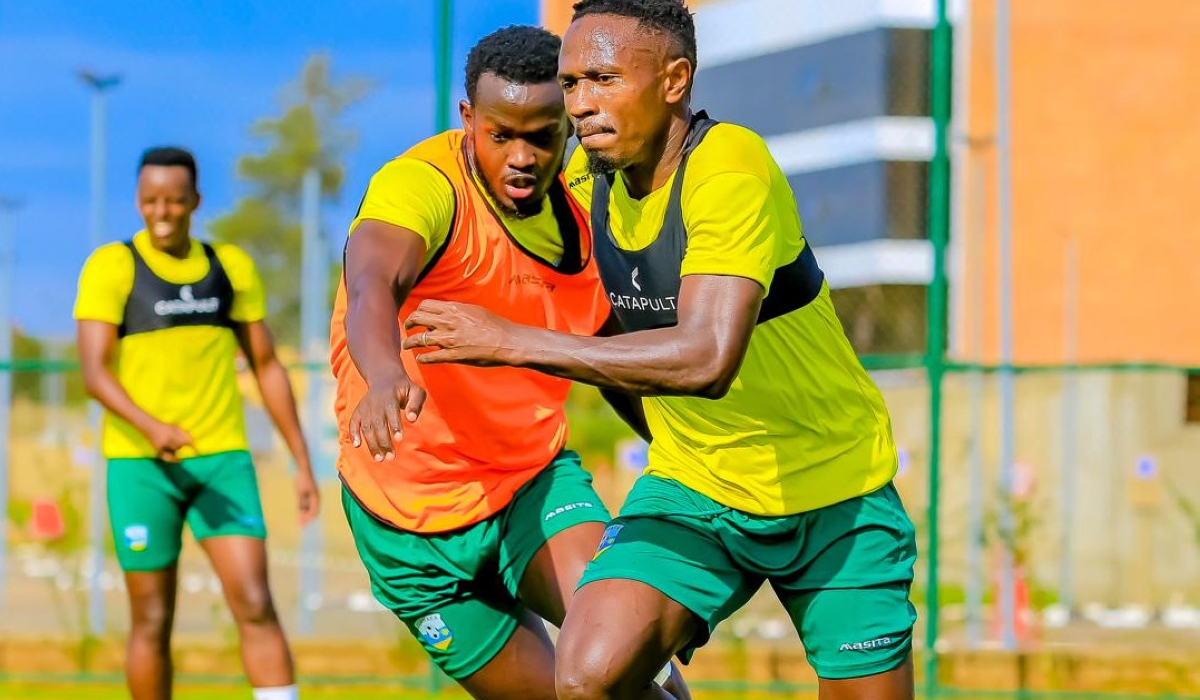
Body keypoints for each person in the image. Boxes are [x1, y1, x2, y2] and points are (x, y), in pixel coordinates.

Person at [401, 1, 919, 699]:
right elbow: (466, 193)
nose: (581, 104)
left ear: (675, 79)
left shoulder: (730, 167)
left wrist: (510, 342)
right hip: (694, 492)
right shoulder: (582, 185)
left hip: (835, 491)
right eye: (573, 83)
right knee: (587, 676)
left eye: (604, 80)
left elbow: (707, 358)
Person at [329, 25, 685, 700]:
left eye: (543, 136)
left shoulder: (589, 206)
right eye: (501, 135)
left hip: (531, 483)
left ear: (571, 124)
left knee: (619, 665)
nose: (522, 156)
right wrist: (384, 375)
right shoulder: (420, 188)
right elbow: (372, 281)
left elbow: (607, 348)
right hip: (406, 527)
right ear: (469, 119)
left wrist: (683, 441)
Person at [75, 146, 319, 700]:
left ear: (196, 202)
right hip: (140, 466)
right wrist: (152, 427)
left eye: (174, 201)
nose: (161, 213)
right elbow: (94, 372)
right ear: (138, 201)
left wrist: (302, 462)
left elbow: (266, 367)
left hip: (221, 461)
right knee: (152, 618)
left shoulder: (229, 267)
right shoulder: (112, 267)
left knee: (255, 602)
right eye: (149, 201)